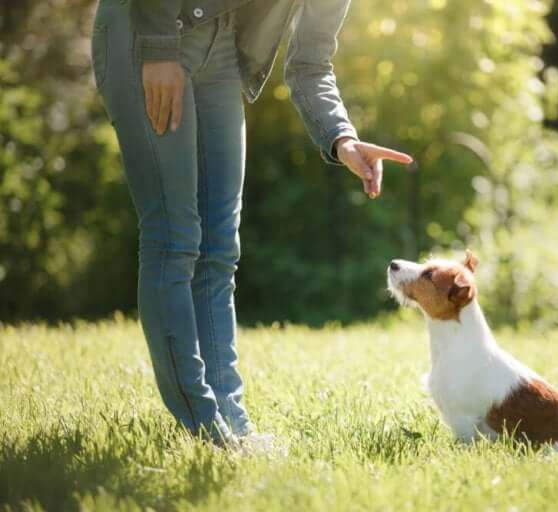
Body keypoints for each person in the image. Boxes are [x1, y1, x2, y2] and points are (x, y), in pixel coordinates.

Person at [90, 0, 413, 450]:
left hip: (218, 47)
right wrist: (159, 47)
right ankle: (204, 425)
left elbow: (310, 65)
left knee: (219, 247)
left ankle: (231, 423)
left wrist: (342, 138)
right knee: (174, 239)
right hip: (146, 30)